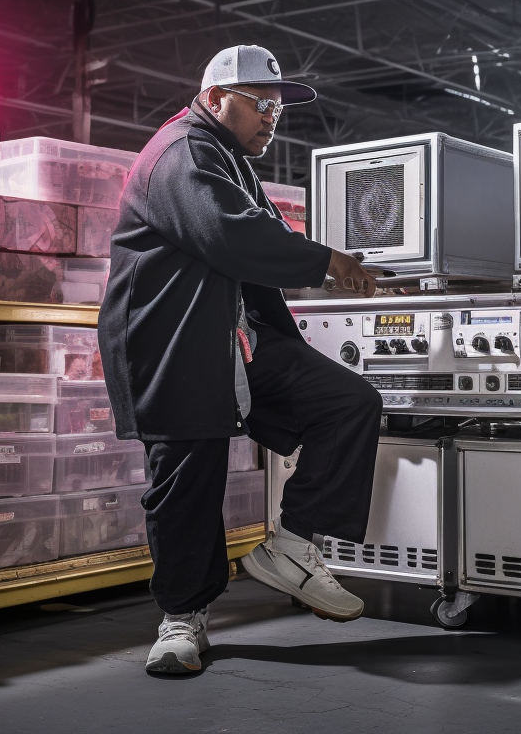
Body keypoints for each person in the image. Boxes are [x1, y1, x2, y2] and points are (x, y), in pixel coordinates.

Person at [99, 44, 383, 675]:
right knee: (187, 483)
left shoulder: (226, 157)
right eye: (260, 103)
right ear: (214, 97)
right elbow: (231, 235)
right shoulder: (181, 153)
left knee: (349, 403)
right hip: (175, 346)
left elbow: (258, 233)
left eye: (277, 108)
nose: (271, 118)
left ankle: (292, 544)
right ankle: (182, 620)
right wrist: (328, 261)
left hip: (236, 342)